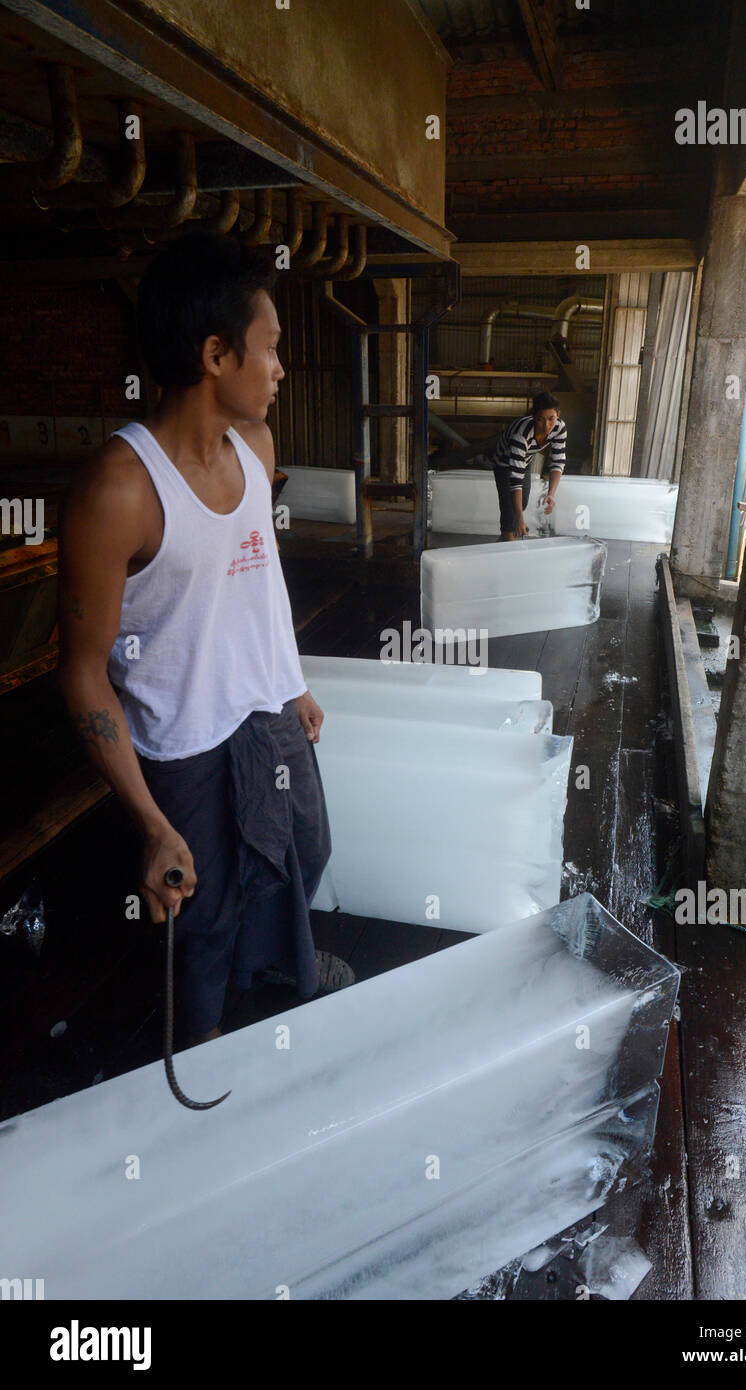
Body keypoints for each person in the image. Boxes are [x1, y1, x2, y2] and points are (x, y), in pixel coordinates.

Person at [58, 232, 342, 1046]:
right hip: (182, 744)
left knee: (303, 857)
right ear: (216, 354)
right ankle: (197, 1056)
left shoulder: (255, 447)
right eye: (271, 350)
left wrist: (290, 682)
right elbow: (81, 674)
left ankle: (271, 976)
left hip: (266, 714)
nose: (281, 369)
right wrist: (150, 822)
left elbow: (257, 580)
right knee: (203, 920)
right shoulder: (119, 491)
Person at [491, 391, 567, 540]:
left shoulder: (560, 428)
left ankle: (504, 540)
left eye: (551, 419)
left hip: (525, 461)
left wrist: (551, 494)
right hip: (504, 464)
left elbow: (558, 461)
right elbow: (515, 481)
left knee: (522, 503)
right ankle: (507, 537)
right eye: (541, 420)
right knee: (510, 515)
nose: (547, 426)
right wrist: (520, 519)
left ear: (558, 414)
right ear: (533, 417)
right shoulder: (522, 434)